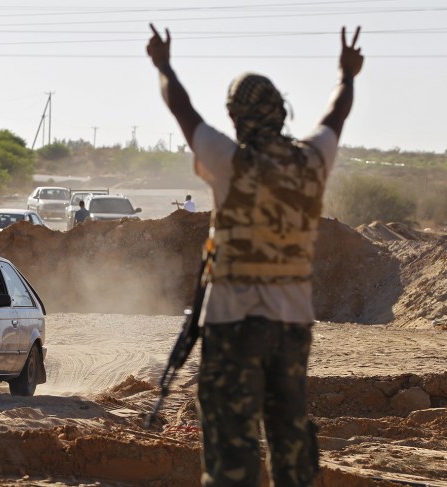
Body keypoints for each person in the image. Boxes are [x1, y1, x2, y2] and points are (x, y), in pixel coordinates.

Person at [147, 24, 363, 487]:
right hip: (292, 329)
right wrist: (347, 75)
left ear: (233, 114)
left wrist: (163, 65)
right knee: (290, 442)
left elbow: (182, 110)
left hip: (233, 326)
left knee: (231, 454)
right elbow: (335, 115)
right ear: (282, 113)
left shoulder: (230, 162)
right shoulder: (313, 162)